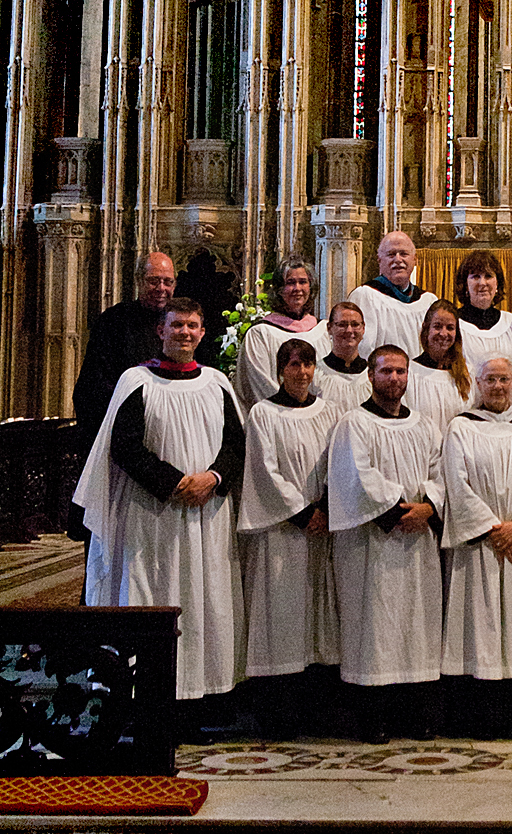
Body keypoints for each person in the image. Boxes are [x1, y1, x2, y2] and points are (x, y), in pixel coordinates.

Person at [73, 296, 245, 714]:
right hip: (152, 515)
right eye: (177, 325)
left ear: (203, 333)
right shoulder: (137, 382)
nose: (185, 332)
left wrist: (213, 478)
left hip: (207, 511)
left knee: (207, 598)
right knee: (153, 594)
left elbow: (236, 445)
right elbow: (125, 446)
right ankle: (146, 700)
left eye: (192, 326)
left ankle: (203, 698)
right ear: (161, 331)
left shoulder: (218, 384)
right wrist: (173, 483)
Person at [326, 345, 443, 739]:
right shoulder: (353, 423)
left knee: (416, 623)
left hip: (418, 539)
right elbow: (356, 475)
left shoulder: (424, 425)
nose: (394, 379)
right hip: (372, 542)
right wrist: (397, 513)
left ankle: (414, 714)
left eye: (400, 372)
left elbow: (440, 471)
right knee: (373, 625)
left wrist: (429, 507)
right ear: (371, 376)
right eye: (386, 371)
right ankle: (372, 716)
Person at [238, 337, 340, 735]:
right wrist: (301, 513)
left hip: (321, 530)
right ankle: (277, 712)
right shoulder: (263, 413)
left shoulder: (329, 413)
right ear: (280, 370)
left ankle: (316, 711)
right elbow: (263, 469)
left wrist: (326, 507)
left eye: (307, 365)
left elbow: (339, 462)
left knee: (319, 618)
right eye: (293, 365)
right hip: (282, 533)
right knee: (280, 617)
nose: (301, 373)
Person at [440, 357, 512, 737]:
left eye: (504, 379)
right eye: (490, 380)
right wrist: (489, 528)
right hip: (478, 547)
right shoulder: (461, 427)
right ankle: (476, 716)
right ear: (478, 384)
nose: (498, 386)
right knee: (477, 625)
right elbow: (455, 480)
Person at [72, 251, 177, 448]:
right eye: (154, 281)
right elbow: (93, 386)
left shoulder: (180, 324)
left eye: (167, 281)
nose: (161, 288)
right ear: (139, 280)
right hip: (125, 433)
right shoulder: (114, 321)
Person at [233, 260, 328, 414]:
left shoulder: (323, 330)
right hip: (277, 417)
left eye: (303, 282)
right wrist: (295, 412)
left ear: (311, 287)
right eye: (290, 282)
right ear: (278, 289)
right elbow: (261, 384)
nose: (297, 288)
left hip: (318, 418)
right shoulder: (260, 334)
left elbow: (329, 382)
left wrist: (318, 412)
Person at [345, 231, 437, 361]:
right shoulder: (365, 296)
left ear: (415, 260)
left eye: (404, 254)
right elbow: (361, 350)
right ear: (380, 261)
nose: (398, 260)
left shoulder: (428, 302)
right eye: (391, 254)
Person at [454, 248, 512, 377]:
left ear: (497, 284)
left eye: (488, 276)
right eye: (475, 277)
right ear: (465, 284)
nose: (482, 283)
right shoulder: (454, 326)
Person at [405, 299, 474, 434]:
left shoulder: (467, 373)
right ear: (426, 329)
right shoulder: (411, 372)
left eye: (450, 328)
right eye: (437, 326)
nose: (443, 333)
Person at [313, 301, 371, 413]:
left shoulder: (372, 376)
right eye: (342, 325)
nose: (349, 330)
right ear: (329, 328)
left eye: (355, 325)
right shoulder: (316, 375)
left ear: (363, 328)